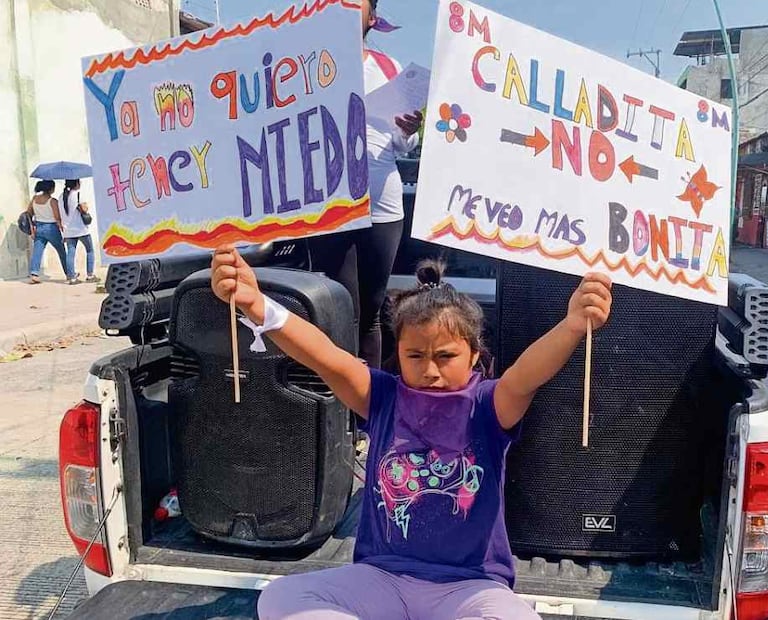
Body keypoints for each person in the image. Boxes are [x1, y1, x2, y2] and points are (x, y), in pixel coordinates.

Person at [210, 247, 612, 620]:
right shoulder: (382, 397)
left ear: (474, 353)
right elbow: (325, 357)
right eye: (415, 356)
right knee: (280, 597)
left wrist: (573, 325)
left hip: (469, 588)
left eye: (446, 356)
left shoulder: (489, 405)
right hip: (382, 580)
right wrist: (257, 305)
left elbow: (526, 376)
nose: (430, 369)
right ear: (398, 352)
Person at [309, 0, 424, 368]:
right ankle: (334, 413)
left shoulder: (390, 69)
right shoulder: (304, 67)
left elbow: (402, 143)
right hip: (329, 204)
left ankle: (366, 417)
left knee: (371, 312)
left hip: (383, 206)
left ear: (371, 18)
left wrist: (410, 131)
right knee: (338, 308)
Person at [27, 180, 72, 284]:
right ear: (50, 189)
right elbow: (57, 218)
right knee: (61, 251)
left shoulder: (34, 199)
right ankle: (69, 273)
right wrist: (64, 231)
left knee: (37, 252)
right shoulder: (52, 201)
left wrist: (32, 229)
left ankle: (34, 274)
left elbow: (28, 213)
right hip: (51, 228)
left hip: (39, 227)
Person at [61, 179, 99, 285]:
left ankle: (72, 277)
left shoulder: (61, 197)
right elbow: (85, 209)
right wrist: (85, 206)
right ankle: (90, 275)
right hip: (81, 229)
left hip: (68, 230)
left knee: (71, 253)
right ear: (76, 184)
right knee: (90, 250)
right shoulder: (78, 195)